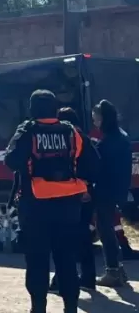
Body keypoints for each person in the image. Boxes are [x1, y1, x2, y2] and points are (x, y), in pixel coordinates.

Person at [4, 90, 100, 313]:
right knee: (66, 259)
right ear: (55, 109)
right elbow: (93, 162)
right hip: (69, 205)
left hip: (36, 205)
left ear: (32, 109)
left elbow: (12, 160)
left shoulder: (27, 130)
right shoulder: (72, 131)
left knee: (37, 260)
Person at [48, 107, 97, 292]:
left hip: (72, 194)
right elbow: (95, 164)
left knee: (64, 238)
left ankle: (61, 280)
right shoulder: (84, 137)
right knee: (83, 236)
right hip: (85, 193)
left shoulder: (69, 138)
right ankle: (88, 278)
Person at [90, 99, 132, 287]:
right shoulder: (120, 135)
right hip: (117, 189)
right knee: (107, 228)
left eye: (96, 119)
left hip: (107, 190)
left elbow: (100, 165)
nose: (95, 123)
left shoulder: (111, 140)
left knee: (105, 229)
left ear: (104, 118)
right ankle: (118, 268)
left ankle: (113, 271)